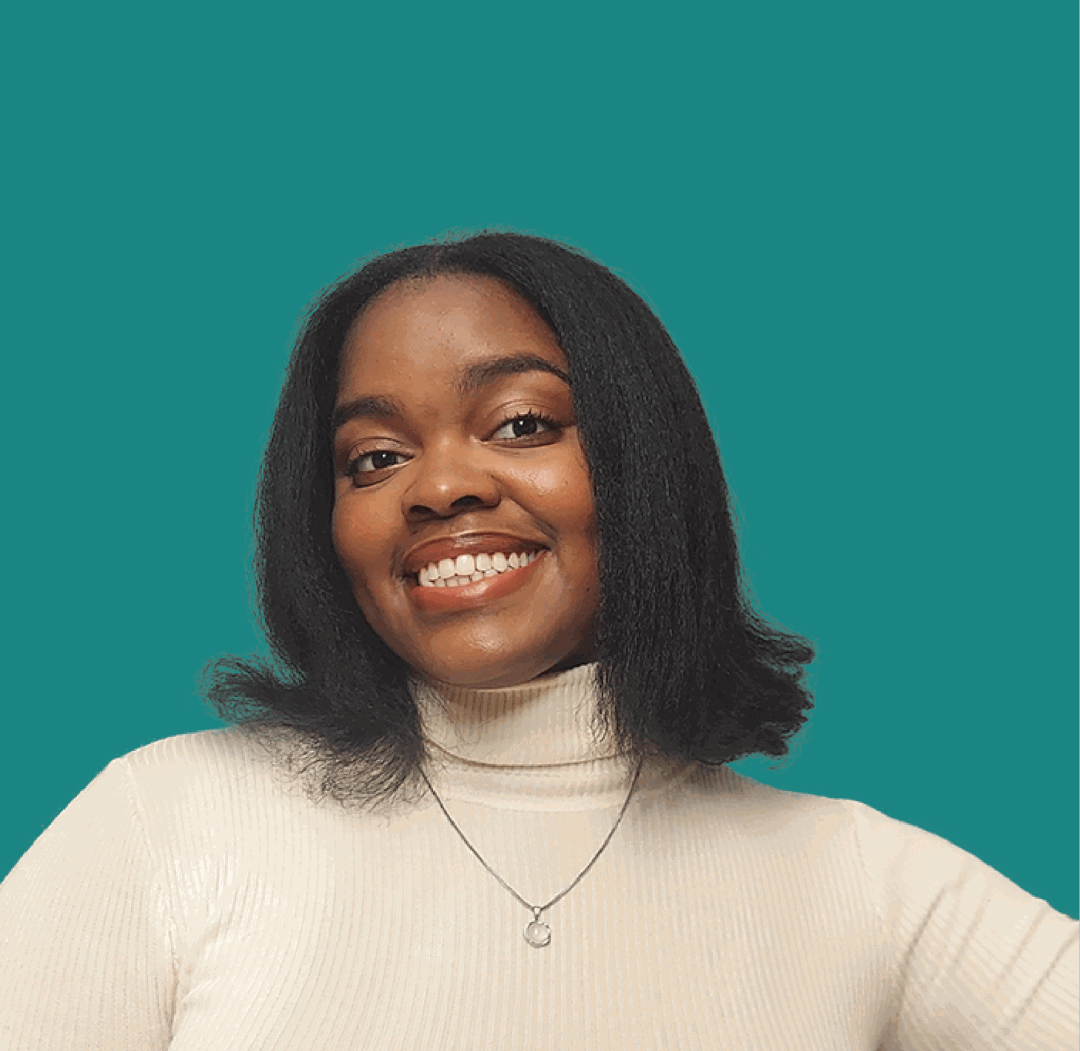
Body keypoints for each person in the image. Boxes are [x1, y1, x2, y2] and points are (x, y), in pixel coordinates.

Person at [0, 230, 1075, 1050]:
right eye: (373, 458)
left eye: (522, 424)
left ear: (641, 464)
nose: (442, 486)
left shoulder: (858, 883)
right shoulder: (168, 823)